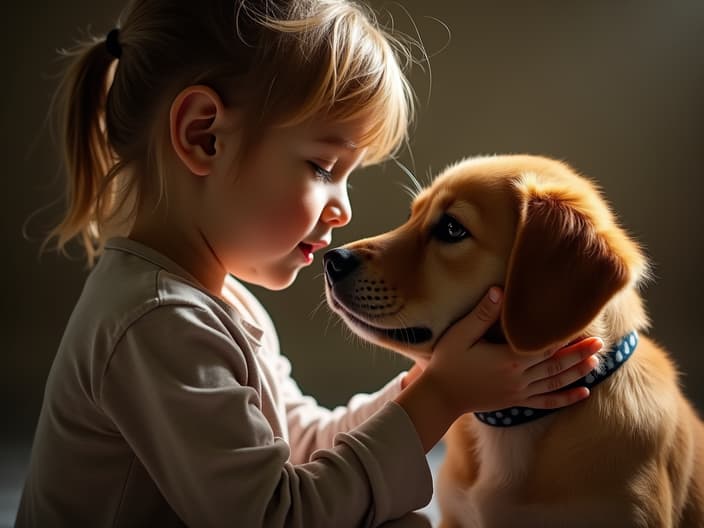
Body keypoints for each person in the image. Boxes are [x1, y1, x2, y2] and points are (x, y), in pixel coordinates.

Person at [16, 1, 603, 526]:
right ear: (204, 137)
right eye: (324, 167)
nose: (344, 210)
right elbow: (275, 515)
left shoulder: (216, 300)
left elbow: (304, 445)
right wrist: (440, 399)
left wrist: (428, 383)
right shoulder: (155, 321)